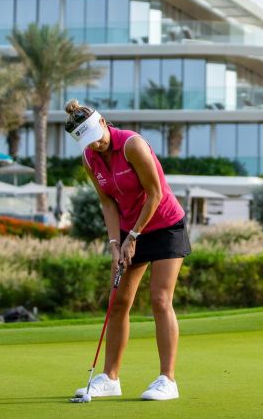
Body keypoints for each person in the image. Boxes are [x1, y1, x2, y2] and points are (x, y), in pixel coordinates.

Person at [65, 99, 190, 401]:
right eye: (87, 142)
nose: (95, 145)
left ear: (103, 122)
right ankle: (110, 378)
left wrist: (133, 236)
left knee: (160, 299)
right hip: (127, 230)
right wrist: (114, 243)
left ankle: (167, 380)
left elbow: (155, 193)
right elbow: (108, 203)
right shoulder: (89, 158)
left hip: (164, 224)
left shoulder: (132, 145)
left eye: (96, 137)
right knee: (118, 301)